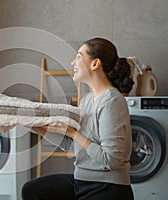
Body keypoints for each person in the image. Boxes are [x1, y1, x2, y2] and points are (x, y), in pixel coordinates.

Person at [22, 37, 134, 200]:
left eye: (79, 56)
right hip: (82, 181)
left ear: (95, 64)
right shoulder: (87, 100)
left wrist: (74, 134)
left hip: (108, 188)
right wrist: (38, 128)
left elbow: (111, 160)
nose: (73, 62)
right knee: (32, 190)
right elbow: (76, 148)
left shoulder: (112, 102)